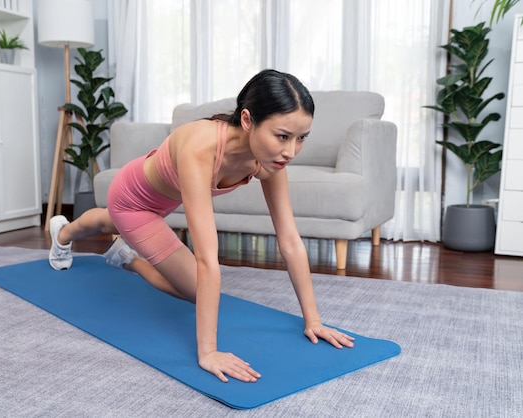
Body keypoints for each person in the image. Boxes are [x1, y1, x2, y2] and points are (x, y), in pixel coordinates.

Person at [48, 69, 355, 383]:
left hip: (163, 199)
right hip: (132, 200)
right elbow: (207, 257)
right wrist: (208, 352)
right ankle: (103, 249)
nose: (291, 151)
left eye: (301, 138)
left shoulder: (270, 161)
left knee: (106, 219)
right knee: (197, 287)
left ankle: (74, 233)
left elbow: (289, 240)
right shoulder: (201, 147)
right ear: (248, 120)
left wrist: (313, 320)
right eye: (282, 136)